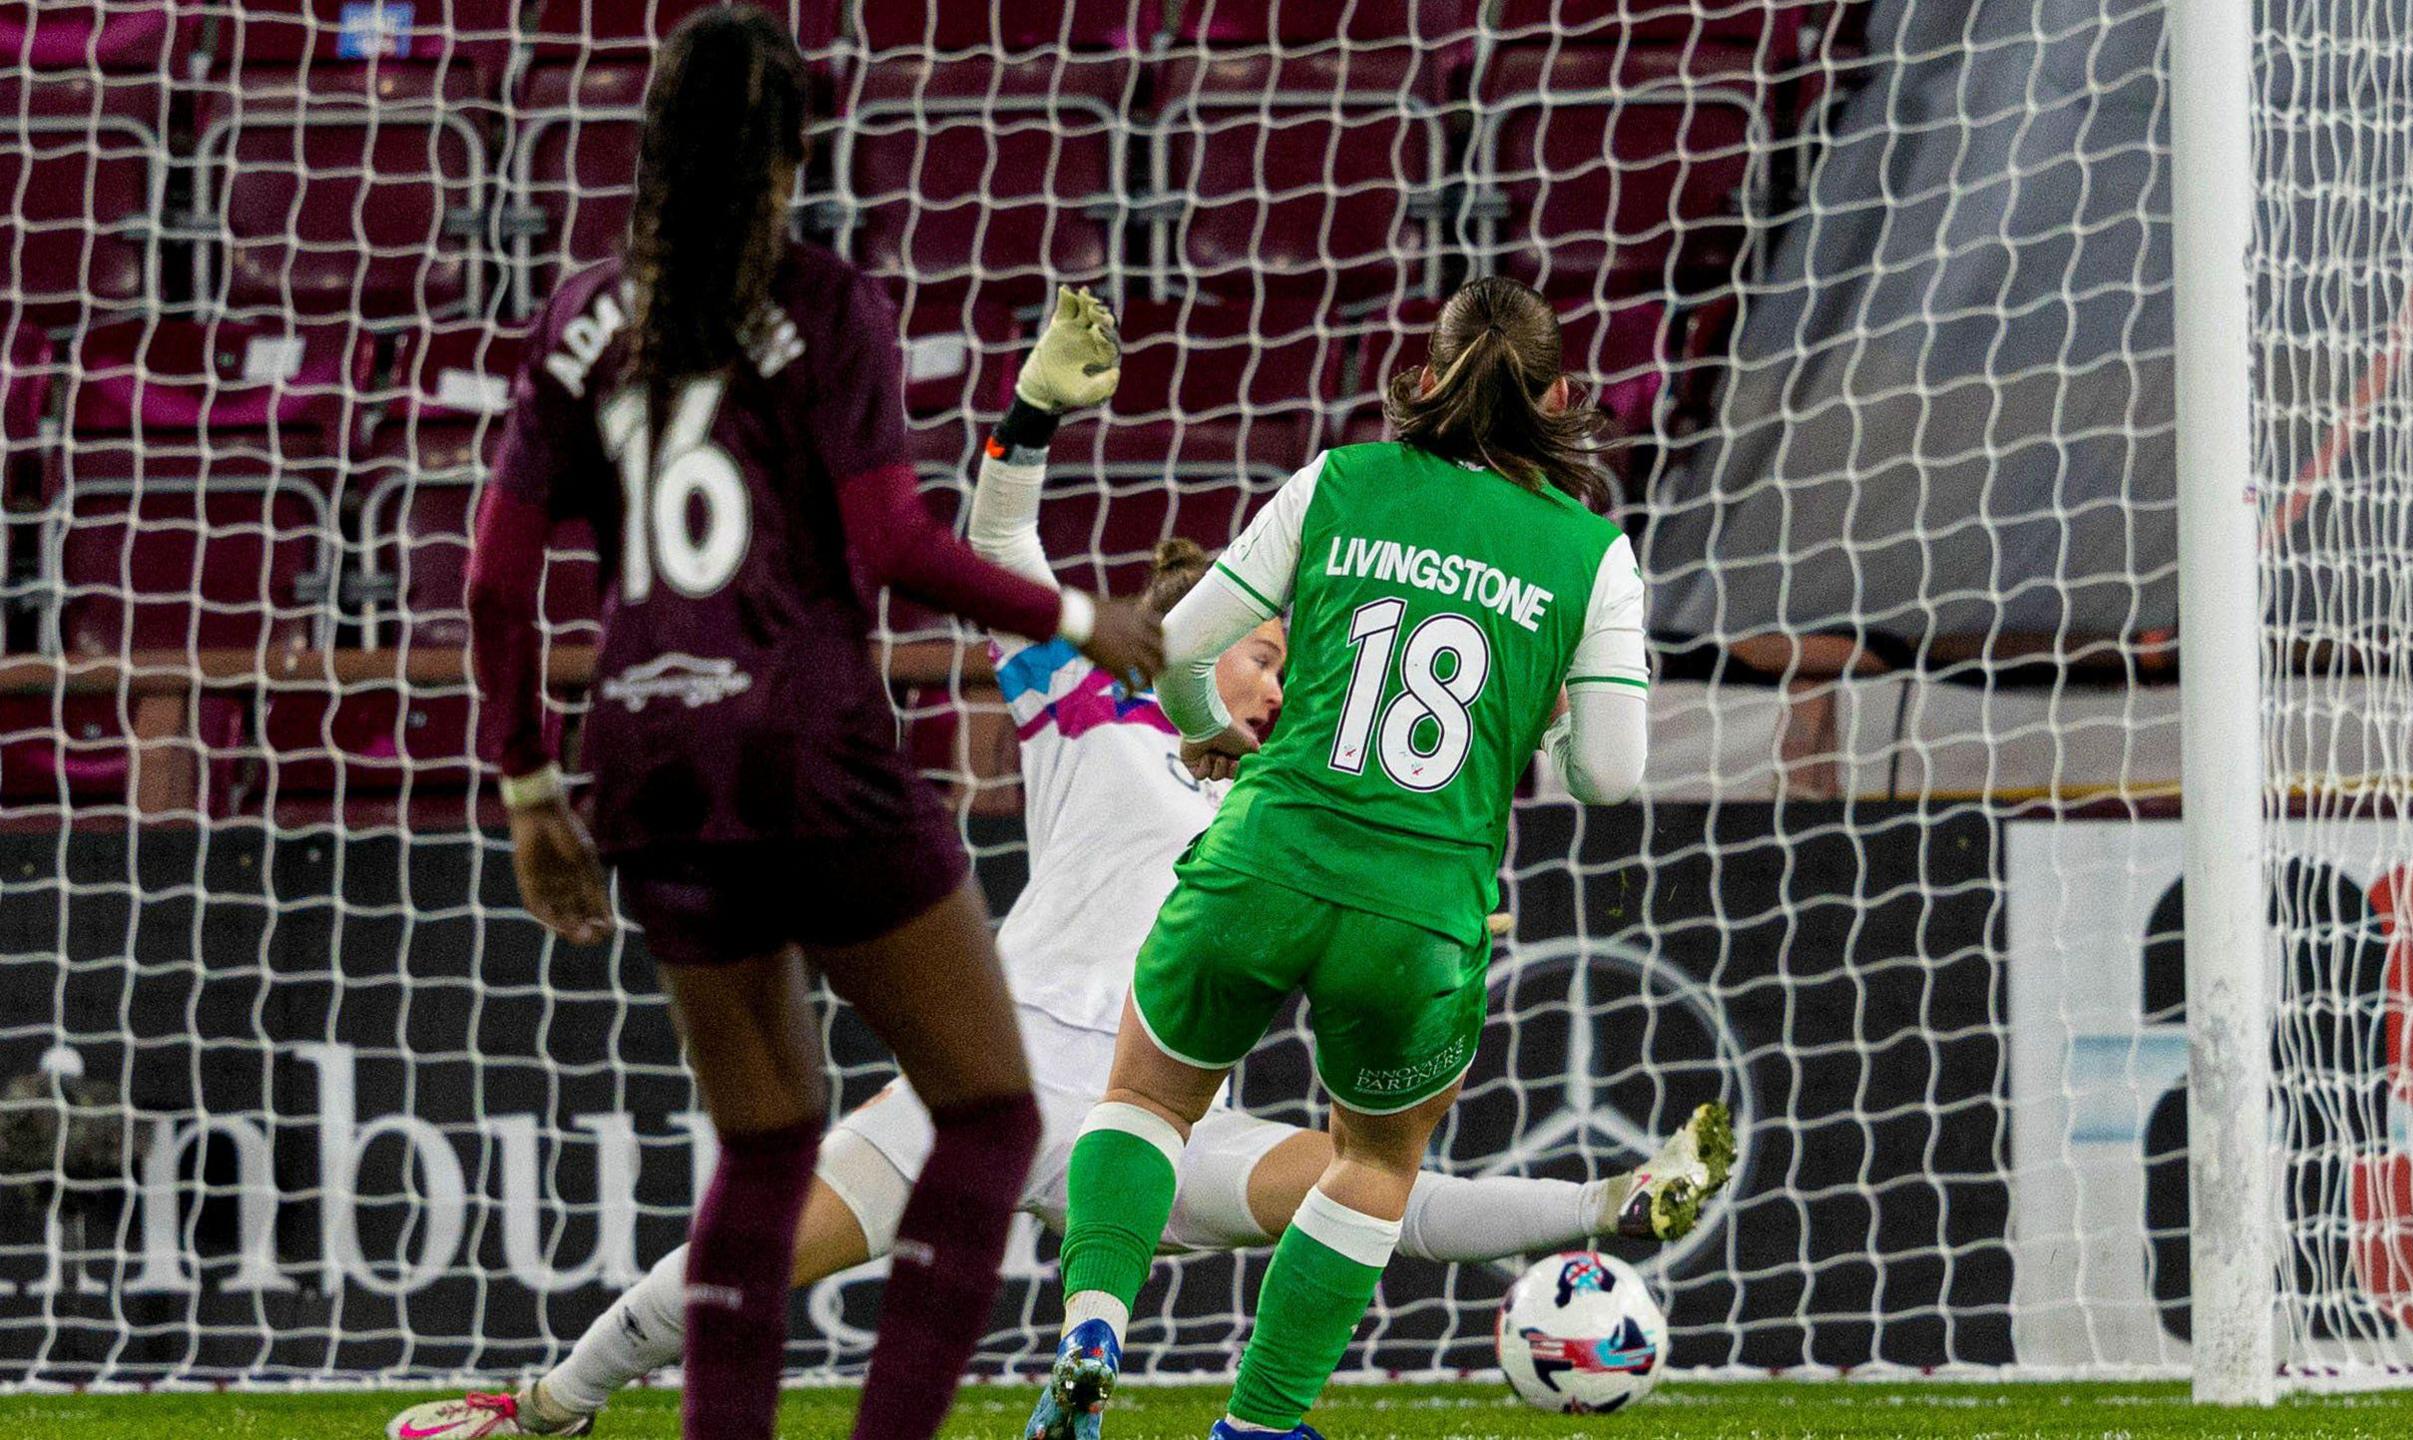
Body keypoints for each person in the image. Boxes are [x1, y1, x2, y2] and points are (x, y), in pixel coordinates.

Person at [399, 288, 1726, 1440]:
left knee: (1362, 1183)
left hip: (1133, 1118)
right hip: (982, 1080)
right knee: (739, 1264)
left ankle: (1600, 1199)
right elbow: (996, 550)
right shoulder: (1102, 721)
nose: (1273, 678)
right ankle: (549, 1403)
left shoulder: (1288, 805)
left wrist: (1604, 1194)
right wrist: (1025, 421)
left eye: (1284, 657)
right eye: (1261, 655)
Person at [459, 13, 1161, 1440]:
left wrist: (531, 783)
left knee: (766, 1141)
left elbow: (493, 574)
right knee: (987, 1115)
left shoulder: (580, 320)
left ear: (652, 151)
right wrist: (1084, 620)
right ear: (791, 152)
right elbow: (892, 541)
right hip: (809, 740)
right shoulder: (826, 301)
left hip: (645, 759)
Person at [1027, 275, 1657, 1440]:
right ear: (1567, 399)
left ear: (1419, 383)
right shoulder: (1592, 556)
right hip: (1418, 908)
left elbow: (1175, 644)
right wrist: (1554, 712)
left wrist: (1198, 722)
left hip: (1265, 854)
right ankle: (1260, 1424)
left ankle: (1093, 1332)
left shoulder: (1341, 480)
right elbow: (1608, 777)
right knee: (1373, 1157)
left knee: (1146, 1100)